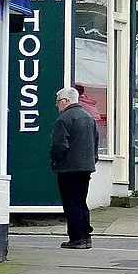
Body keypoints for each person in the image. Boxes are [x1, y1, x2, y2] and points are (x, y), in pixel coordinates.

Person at [49, 86, 98, 249]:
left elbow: (59, 145)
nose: (57, 105)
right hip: (86, 167)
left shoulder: (64, 119)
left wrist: (55, 160)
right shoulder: (88, 118)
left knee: (71, 203)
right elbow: (95, 143)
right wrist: (92, 160)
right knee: (81, 201)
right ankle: (85, 236)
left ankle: (76, 238)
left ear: (65, 101)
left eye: (58, 102)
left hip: (68, 168)